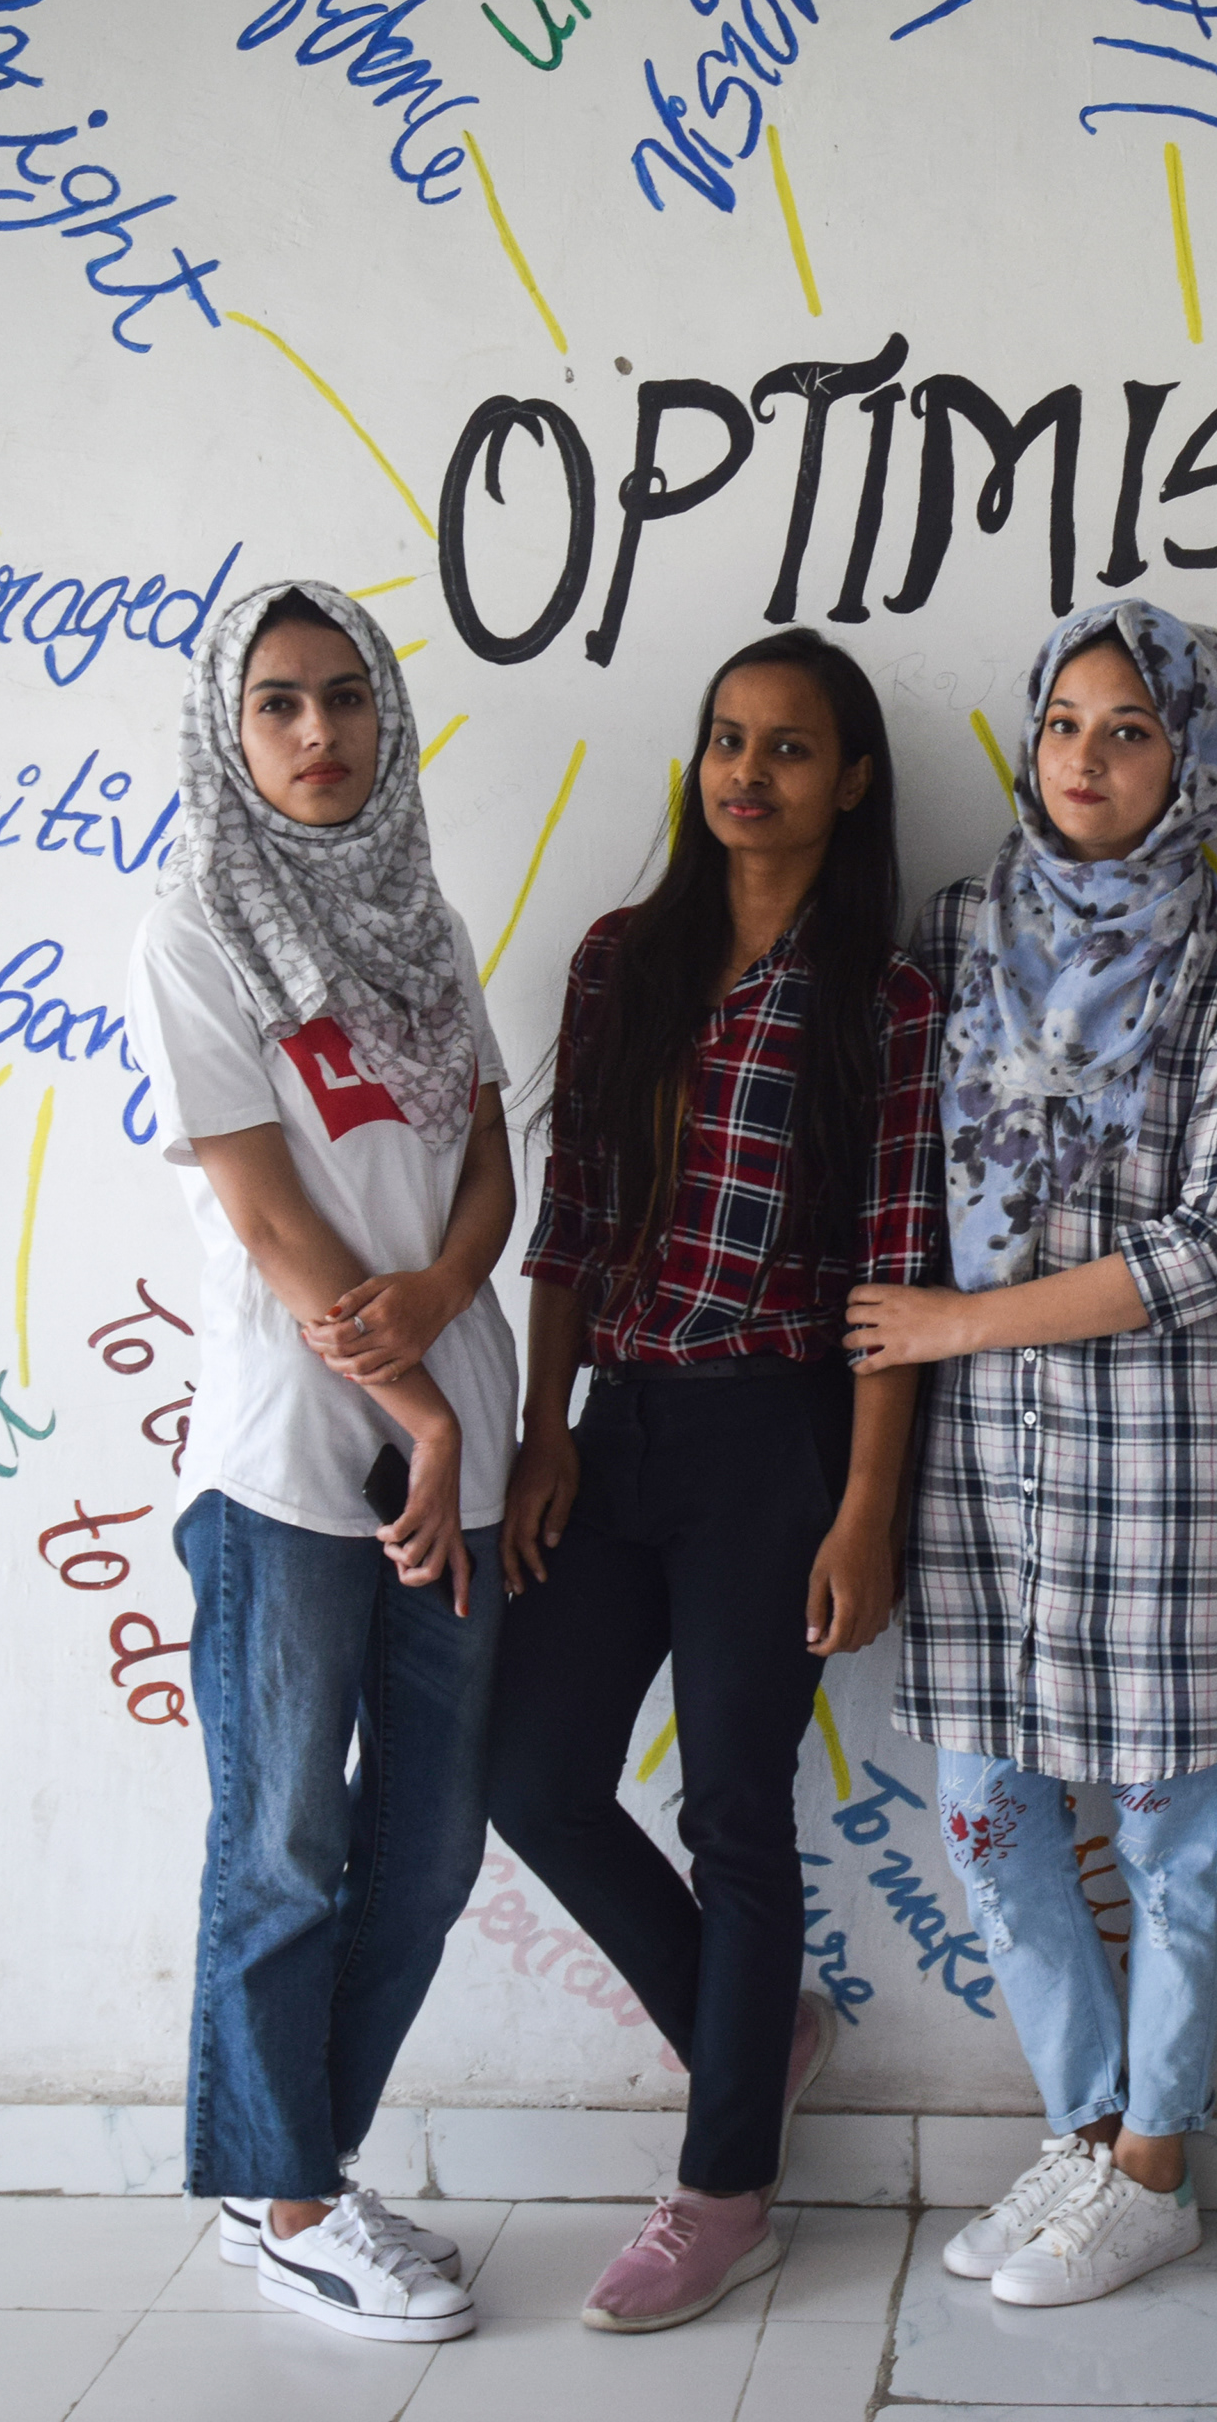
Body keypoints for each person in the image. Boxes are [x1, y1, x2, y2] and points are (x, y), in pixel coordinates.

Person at [843, 599, 1217, 2311]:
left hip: (1162, 1466)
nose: (1088, 759)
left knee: (1173, 1830)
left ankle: (1158, 2169)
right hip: (975, 1472)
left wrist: (960, 1323)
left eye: (1131, 729)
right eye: (1063, 724)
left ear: (1195, 756)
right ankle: (1084, 2127)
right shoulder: (958, 932)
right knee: (985, 1809)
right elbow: (897, 1180)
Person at [488, 630, 943, 2333]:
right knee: (530, 1775)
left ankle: (724, 2186)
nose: (748, 773)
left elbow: (896, 1276)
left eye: (790, 747)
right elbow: (571, 1222)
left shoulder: (889, 1002)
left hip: (778, 1436)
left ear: (854, 780)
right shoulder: (625, 958)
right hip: (618, 1426)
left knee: (737, 1811)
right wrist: (546, 1428)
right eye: (727, 740)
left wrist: (865, 1510)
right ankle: (753, 2032)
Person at [126, 580, 521, 2345]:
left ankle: (288, 2169)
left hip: (460, 1442)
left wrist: (443, 1316)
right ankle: (289, 2198)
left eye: (346, 697)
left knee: (425, 1853)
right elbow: (272, 1219)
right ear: (229, 730)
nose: (317, 733)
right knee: (286, 1841)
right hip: (293, 1456)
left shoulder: (423, 917)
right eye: (277, 702)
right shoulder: (195, 929)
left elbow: (490, 1160)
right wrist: (416, 1404)